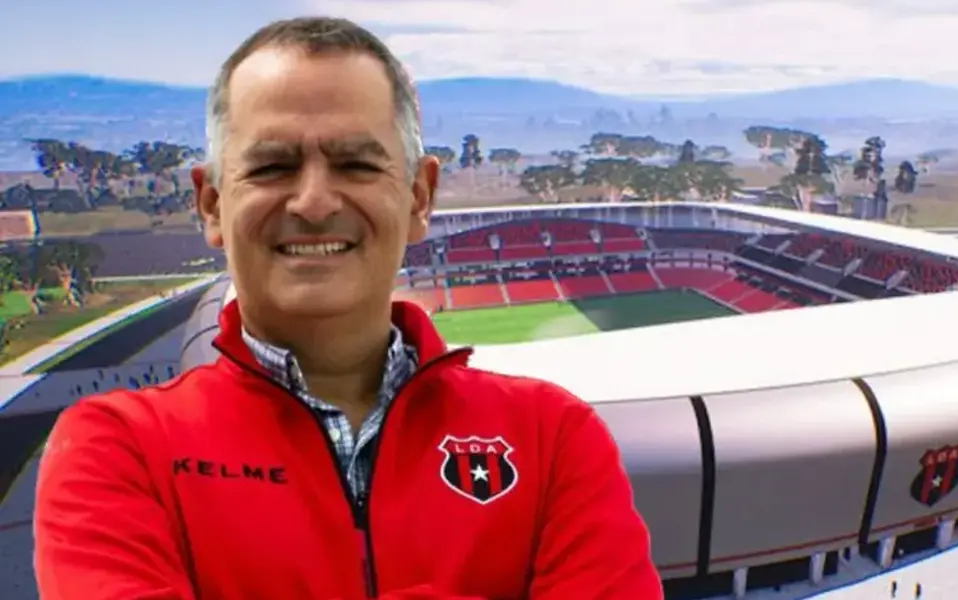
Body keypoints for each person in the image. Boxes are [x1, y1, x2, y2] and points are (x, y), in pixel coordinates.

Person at [32, 16, 661, 600]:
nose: (312, 201)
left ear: (419, 197)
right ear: (210, 205)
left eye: (357, 164)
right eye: (273, 166)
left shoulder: (551, 436)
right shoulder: (117, 449)